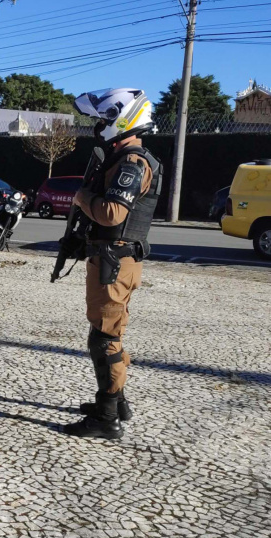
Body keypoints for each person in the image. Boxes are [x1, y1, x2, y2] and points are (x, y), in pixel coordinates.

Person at [65, 88, 162, 440]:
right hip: (115, 260)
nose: (99, 125)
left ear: (121, 118)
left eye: (103, 118)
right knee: (109, 333)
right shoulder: (127, 158)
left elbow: (111, 213)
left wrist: (81, 196)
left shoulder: (131, 163)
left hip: (114, 262)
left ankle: (107, 418)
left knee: (104, 339)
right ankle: (116, 402)